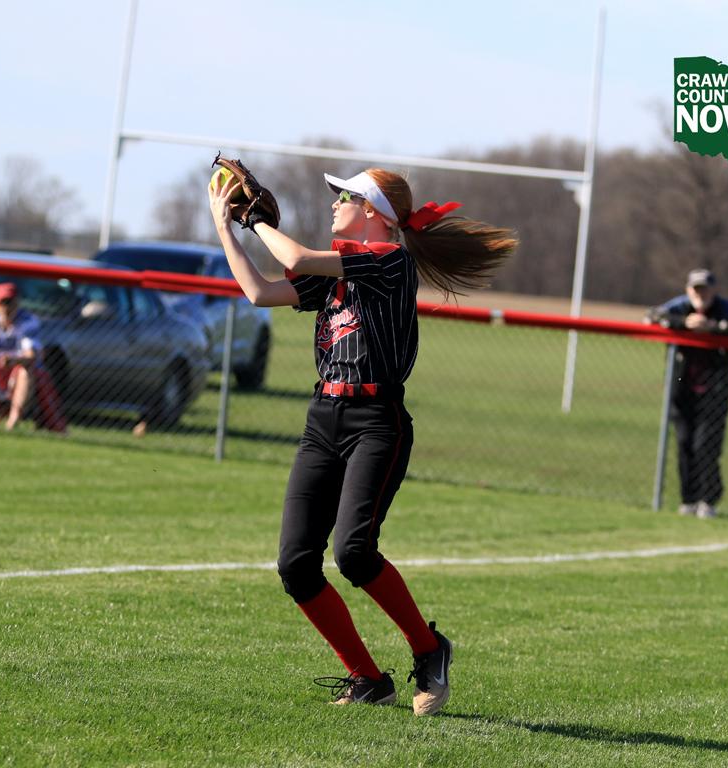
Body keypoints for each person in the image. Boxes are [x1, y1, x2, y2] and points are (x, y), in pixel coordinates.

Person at [208, 166, 517, 714]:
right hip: (322, 418)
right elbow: (258, 292)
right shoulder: (336, 267)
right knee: (296, 565)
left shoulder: (391, 261)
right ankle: (368, 678)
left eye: (344, 196)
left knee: (353, 552)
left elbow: (294, 256)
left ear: (373, 210)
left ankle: (429, 648)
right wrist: (224, 228)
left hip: (376, 421)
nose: (334, 203)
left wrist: (255, 222)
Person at [646, 268, 728, 519]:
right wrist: (683, 323)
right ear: (688, 290)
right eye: (696, 289)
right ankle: (688, 499)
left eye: (705, 289)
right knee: (684, 442)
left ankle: (708, 500)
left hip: (715, 386)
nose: (700, 294)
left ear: (714, 290)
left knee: (706, 445)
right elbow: (650, 317)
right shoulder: (680, 306)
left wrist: (713, 328)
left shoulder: (725, 309)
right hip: (682, 383)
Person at [0, 282, 66, 432]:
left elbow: (32, 356)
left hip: (18, 366)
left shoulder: (28, 321)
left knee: (24, 372)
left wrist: (13, 360)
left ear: (17, 303)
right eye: (2, 303)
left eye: (10, 303)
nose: (6, 308)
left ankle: (12, 423)